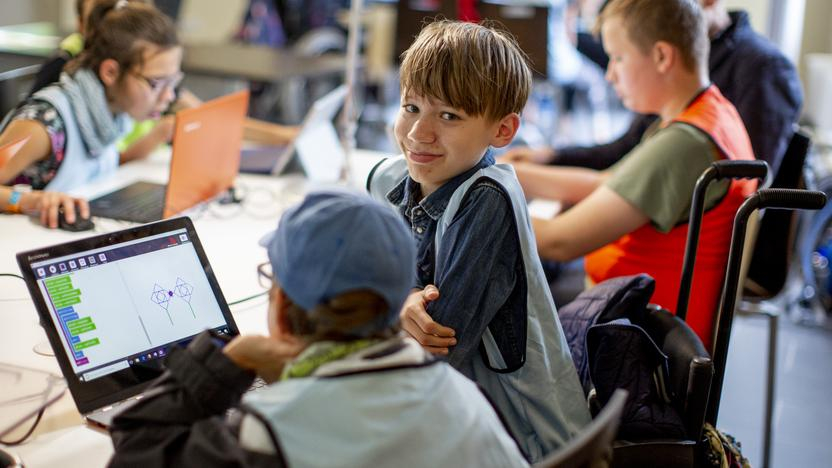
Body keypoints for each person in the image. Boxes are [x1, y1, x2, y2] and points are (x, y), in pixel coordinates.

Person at [107, 190, 530, 468]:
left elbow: (137, 448)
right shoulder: (458, 393)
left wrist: (230, 360)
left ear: (284, 306)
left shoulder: (273, 431)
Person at [366, 20, 590, 462]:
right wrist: (400, 297)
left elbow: (435, 347)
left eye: (449, 116)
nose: (418, 133)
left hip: (523, 442)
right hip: (461, 421)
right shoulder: (396, 177)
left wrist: (391, 303)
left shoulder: (486, 199)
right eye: (410, 107)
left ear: (503, 131)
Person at [505, 0, 757, 349]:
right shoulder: (706, 114)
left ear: (661, 57)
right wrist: (510, 171)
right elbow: (608, 183)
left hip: (634, 339)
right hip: (632, 316)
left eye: (618, 58)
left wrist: (479, 192)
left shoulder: (685, 143)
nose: (609, 74)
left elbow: (561, 242)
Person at [503, 0, 802, 179]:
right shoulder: (676, 76)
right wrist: (551, 157)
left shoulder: (764, 69)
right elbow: (627, 148)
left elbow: (749, 184)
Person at [27, 0, 297, 164]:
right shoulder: (64, 88)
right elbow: (89, 158)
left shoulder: (149, 69)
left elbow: (205, 116)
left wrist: (285, 136)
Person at [0, 0, 181, 219]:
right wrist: (29, 201)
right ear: (111, 72)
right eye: (156, 83)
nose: (168, 96)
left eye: (173, 82)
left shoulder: (112, 111)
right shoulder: (44, 124)